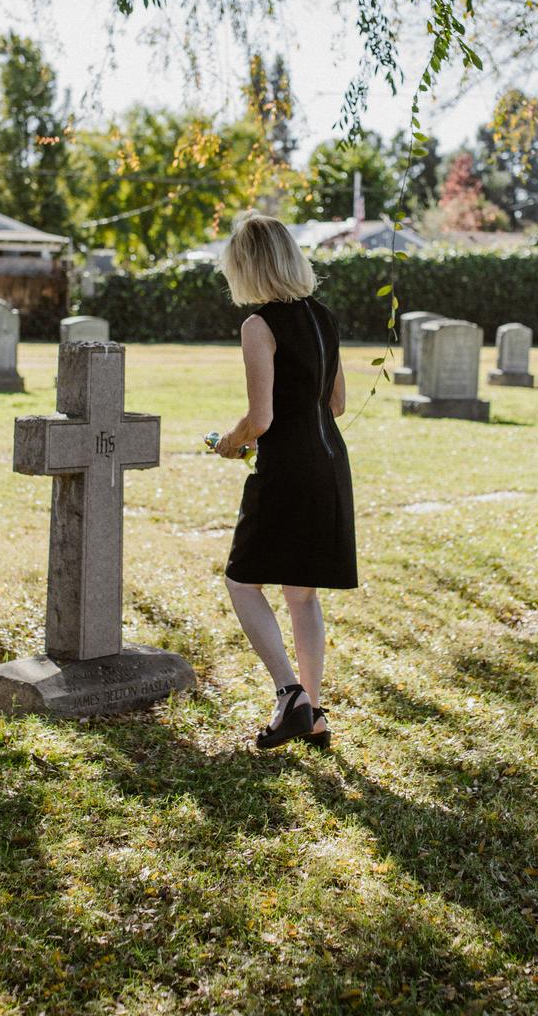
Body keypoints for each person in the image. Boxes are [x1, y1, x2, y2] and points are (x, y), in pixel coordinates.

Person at [212, 211, 358, 750]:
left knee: (241, 581)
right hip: (330, 463)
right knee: (302, 593)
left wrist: (233, 441)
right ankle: (313, 715)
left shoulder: (259, 325)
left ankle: (289, 694)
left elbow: (261, 418)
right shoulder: (325, 317)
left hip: (288, 469)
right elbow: (336, 403)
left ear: (248, 267)